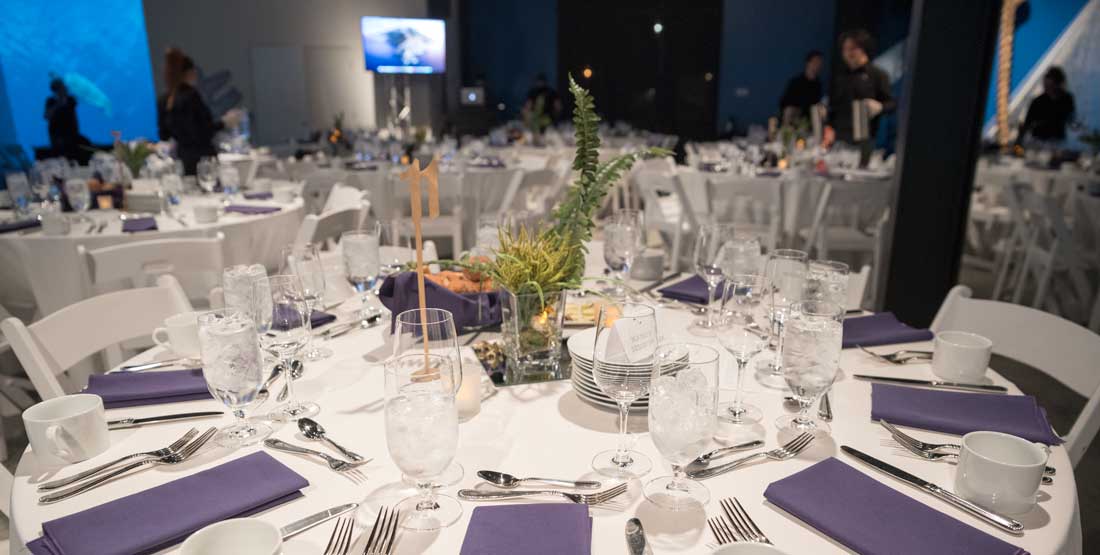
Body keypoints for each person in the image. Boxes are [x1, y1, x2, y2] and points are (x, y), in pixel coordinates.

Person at [157, 48, 240, 175]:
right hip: (203, 160)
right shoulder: (191, 96)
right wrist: (224, 122)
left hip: (183, 160)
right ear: (190, 73)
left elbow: (164, 135)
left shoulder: (165, 100)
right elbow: (202, 131)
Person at [827, 29, 895, 146]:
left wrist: (879, 107)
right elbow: (834, 106)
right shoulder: (840, 76)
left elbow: (891, 104)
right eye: (845, 49)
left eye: (852, 48)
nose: (848, 53)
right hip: (838, 140)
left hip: (865, 141)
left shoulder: (877, 75)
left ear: (863, 49)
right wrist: (828, 125)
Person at [1020, 66, 1075, 143]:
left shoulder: (1067, 99)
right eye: (1046, 85)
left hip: (1058, 142)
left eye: (1051, 85)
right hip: (1038, 141)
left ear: (1058, 83)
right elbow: (1027, 124)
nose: (1047, 87)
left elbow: (1071, 119)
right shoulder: (1037, 101)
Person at [779, 51, 824, 124]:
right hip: (795, 115)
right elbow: (784, 103)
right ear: (808, 63)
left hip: (811, 117)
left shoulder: (818, 85)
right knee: (789, 111)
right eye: (815, 62)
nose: (818, 65)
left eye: (820, 63)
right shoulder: (796, 82)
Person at [44, 76, 82, 161]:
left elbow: (72, 104)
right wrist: (58, 104)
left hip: (71, 135)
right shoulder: (50, 101)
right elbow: (47, 116)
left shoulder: (70, 99)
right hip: (57, 135)